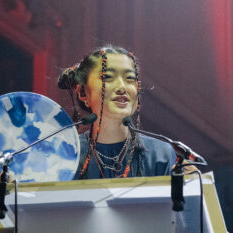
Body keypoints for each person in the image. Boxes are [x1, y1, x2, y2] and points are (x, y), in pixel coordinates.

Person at [58, 45, 176, 179]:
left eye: (130, 78)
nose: (121, 87)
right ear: (83, 93)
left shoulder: (159, 154)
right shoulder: (65, 155)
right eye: (107, 77)